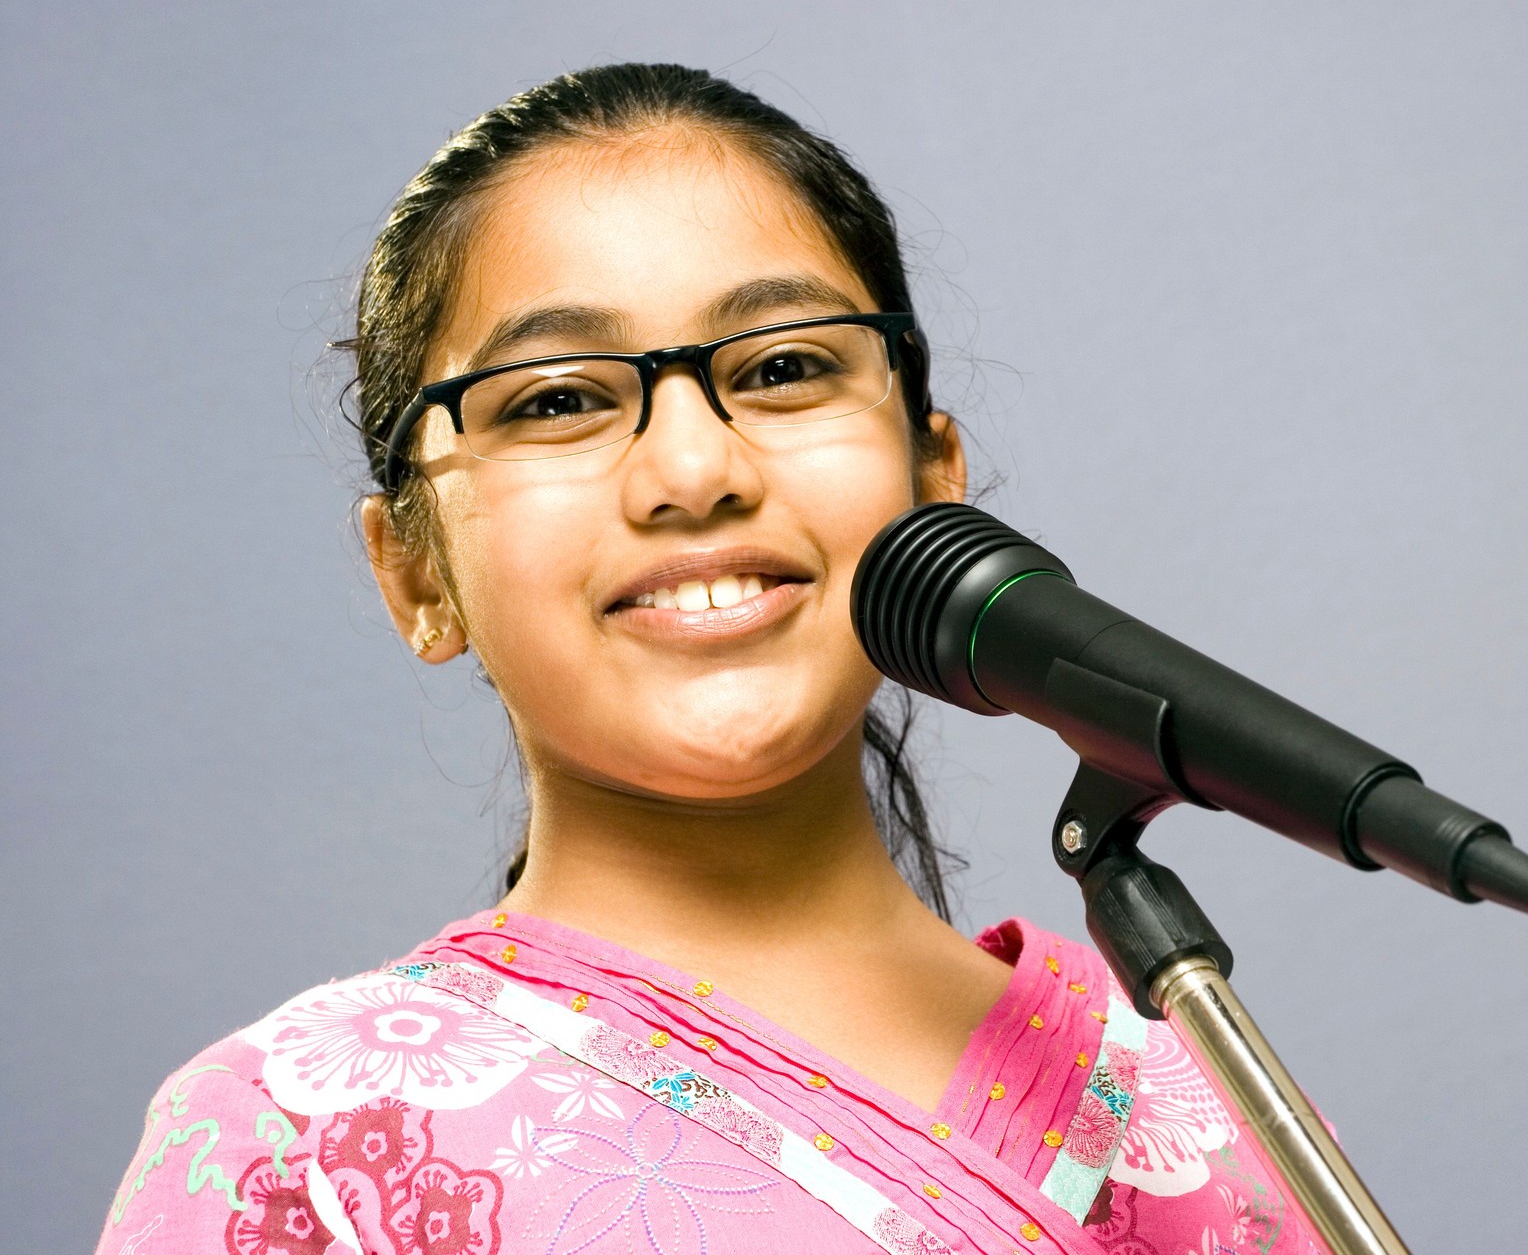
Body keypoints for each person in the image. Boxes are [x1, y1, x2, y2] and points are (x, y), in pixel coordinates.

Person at [97, 64, 1328, 1255]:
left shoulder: (1214, 1114)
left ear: (935, 478)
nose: (694, 472)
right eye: (556, 399)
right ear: (416, 572)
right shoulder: (294, 1152)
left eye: (784, 367)